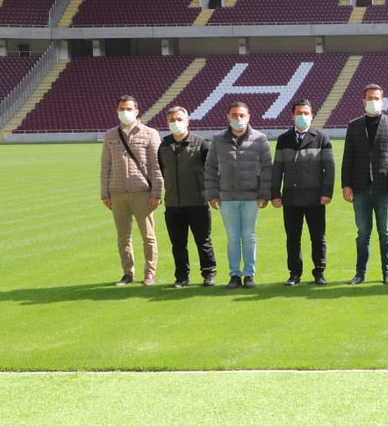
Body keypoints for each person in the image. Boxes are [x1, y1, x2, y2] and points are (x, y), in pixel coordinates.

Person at [341, 84, 388, 285]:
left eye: (377, 98)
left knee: (385, 232)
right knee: (362, 234)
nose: (373, 101)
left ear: (383, 100)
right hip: (360, 188)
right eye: (369, 98)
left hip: (384, 188)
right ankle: (360, 273)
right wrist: (346, 185)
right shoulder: (354, 125)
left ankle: (387, 272)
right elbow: (348, 157)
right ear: (363, 101)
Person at [205, 101, 272, 289]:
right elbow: (210, 168)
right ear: (228, 117)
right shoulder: (217, 140)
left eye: (242, 115)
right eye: (234, 115)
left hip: (251, 197)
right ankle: (234, 274)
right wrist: (212, 194)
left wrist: (264, 194)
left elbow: (267, 168)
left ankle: (249, 274)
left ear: (249, 116)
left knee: (249, 236)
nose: (238, 118)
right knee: (233, 238)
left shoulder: (260, 139)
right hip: (227, 198)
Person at [100, 95, 164, 286]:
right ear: (117, 111)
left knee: (148, 236)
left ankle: (149, 273)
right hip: (117, 193)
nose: (125, 112)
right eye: (121, 109)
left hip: (142, 192)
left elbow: (157, 166)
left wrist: (156, 193)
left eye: (128, 109)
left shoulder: (150, 133)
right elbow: (105, 166)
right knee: (123, 237)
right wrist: (105, 193)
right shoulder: (110, 135)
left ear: (137, 111)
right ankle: (128, 273)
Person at [271, 98, 334, 287]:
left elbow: (329, 168)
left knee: (318, 237)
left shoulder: (321, 138)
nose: (302, 116)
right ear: (292, 116)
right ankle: (295, 273)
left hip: (315, 197)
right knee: (293, 238)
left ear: (311, 115)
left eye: (306, 113)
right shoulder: (283, 139)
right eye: (299, 113)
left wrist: (327, 192)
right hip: (291, 197)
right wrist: (275, 193)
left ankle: (319, 272)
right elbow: (277, 168)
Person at [157, 106, 216, 288]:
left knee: (203, 241)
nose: (176, 123)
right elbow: (162, 170)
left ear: (187, 121)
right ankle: (182, 277)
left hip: (197, 202)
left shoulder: (201, 144)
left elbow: (211, 171)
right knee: (178, 244)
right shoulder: (164, 145)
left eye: (179, 119)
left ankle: (208, 274)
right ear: (167, 123)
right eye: (172, 120)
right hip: (173, 204)